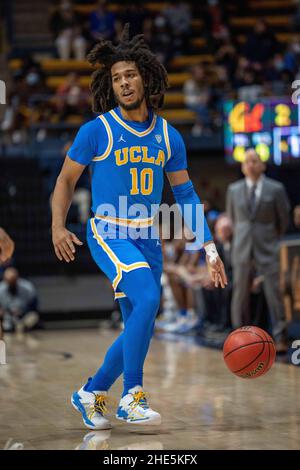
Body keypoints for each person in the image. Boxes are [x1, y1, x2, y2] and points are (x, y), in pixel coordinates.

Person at [51, 24, 227, 430]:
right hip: (109, 231)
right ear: (110, 87)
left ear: (145, 78)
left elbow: (185, 196)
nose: (124, 83)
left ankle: (91, 392)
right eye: (116, 78)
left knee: (139, 323)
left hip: (148, 234)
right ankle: (132, 395)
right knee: (148, 300)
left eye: (129, 75)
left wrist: (210, 249)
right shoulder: (97, 130)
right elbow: (64, 181)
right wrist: (58, 226)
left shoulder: (169, 135)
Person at [226, 148, 290, 352]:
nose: (251, 165)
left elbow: (284, 220)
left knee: (274, 293)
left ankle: (280, 337)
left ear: (262, 165)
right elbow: (233, 219)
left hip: (268, 246)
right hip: (242, 246)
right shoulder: (233, 190)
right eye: (247, 162)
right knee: (240, 294)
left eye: (255, 161)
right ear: (243, 167)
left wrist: (271, 237)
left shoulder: (276, 189)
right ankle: (240, 339)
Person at [0, 268, 39, 333]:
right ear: (5, 280)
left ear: (17, 278)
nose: (11, 284)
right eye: (9, 282)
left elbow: (34, 306)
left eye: (13, 281)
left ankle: (21, 327)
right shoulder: (0, 289)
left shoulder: (28, 288)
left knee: (33, 316)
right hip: (6, 316)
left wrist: (22, 311)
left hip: (23, 316)